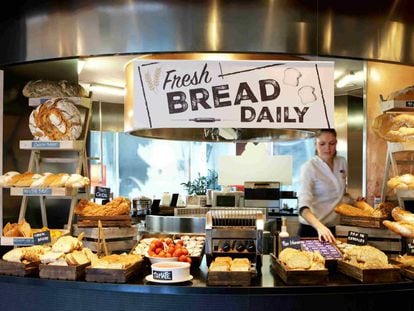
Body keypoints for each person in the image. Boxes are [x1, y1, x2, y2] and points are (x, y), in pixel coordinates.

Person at [297, 128, 355, 243]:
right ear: (315, 144)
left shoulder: (342, 162)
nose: (327, 148)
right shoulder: (309, 167)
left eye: (331, 143)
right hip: (312, 229)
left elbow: (340, 194)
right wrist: (319, 226)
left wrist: (354, 200)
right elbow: (303, 207)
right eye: (322, 144)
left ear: (336, 143)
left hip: (334, 227)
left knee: (335, 260)